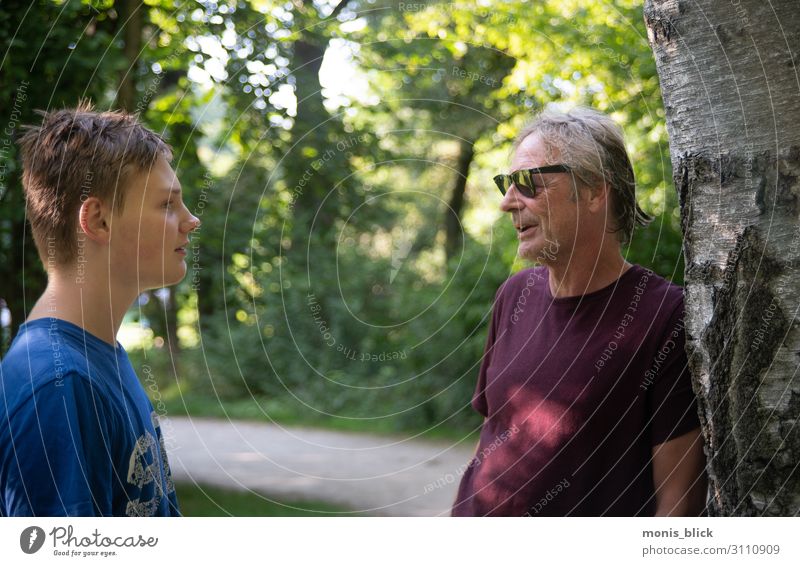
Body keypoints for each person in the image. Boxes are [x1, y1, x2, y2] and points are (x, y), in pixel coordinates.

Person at [451, 107, 707, 516]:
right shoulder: (514, 296)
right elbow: (492, 439)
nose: (507, 203)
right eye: (507, 183)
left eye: (528, 183)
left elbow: (679, 502)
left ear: (593, 192)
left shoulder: (665, 316)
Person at [0, 103, 200, 516]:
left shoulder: (95, 357)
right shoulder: (59, 385)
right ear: (99, 221)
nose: (191, 220)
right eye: (167, 204)